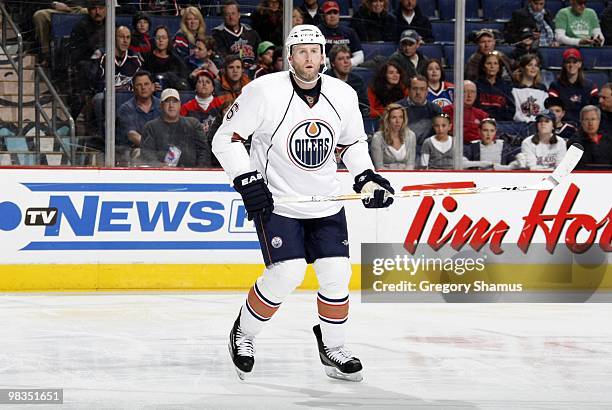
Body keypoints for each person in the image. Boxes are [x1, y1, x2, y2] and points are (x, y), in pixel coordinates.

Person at [212, 24, 394, 383]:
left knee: (337, 275)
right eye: (301, 51)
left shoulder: (341, 94)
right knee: (286, 274)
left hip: (325, 203)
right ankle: (243, 334)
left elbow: (353, 144)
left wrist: (367, 177)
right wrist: (247, 180)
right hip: (279, 203)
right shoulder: (263, 92)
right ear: (289, 57)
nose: (309, 57)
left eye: (315, 50)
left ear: (323, 56)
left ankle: (334, 347)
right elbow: (226, 139)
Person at [140, 88, 212, 167]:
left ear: (180, 104)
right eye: (167, 101)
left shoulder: (194, 124)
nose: (171, 105)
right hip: (161, 175)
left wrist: (197, 172)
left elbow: (204, 152)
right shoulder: (150, 127)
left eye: (175, 101)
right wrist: (160, 167)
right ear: (161, 105)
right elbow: (147, 154)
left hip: (192, 175)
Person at [548, 48, 598, 124]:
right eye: (568, 62)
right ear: (564, 65)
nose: (571, 65)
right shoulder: (555, 86)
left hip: (584, 126)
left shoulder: (590, 86)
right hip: (562, 125)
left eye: (575, 62)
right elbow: (554, 111)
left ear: (580, 64)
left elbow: (595, 110)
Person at [117, 70, 161, 149]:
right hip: (135, 150)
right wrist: (154, 148)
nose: (143, 87)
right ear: (133, 88)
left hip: (161, 149)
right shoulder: (126, 109)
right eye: (139, 85)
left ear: (153, 86)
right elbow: (132, 135)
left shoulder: (162, 106)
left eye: (146, 84)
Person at [212, 0, 262, 68]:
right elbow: (223, 57)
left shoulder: (251, 32)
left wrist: (255, 65)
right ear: (223, 16)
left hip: (253, 69)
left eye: (233, 13)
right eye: (227, 14)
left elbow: (260, 53)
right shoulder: (217, 34)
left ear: (239, 15)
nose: (231, 17)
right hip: (233, 70)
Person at [397, 75, 442, 145]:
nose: (418, 92)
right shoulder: (397, 108)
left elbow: (443, 130)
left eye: (422, 89)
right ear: (408, 90)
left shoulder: (436, 109)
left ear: (427, 91)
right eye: (414, 88)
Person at [327, 44, 369, 117]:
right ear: (333, 63)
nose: (346, 62)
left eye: (348, 58)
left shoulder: (357, 81)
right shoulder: (325, 80)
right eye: (341, 59)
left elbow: (365, 107)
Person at [318, 1, 364, 67]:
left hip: (348, 67)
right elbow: (314, 55)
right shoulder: (317, 32)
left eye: (335, 12)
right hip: (326, 67)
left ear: (339, 14)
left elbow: (360, 56)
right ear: (323, 16)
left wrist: (346, 63)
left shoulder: (350, 32)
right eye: (329, 13)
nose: (332, 16)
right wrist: (335, 63)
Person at [370, 104, 416, 169]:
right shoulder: (378, 138)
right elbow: (379, 167)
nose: (398, 121)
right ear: (387, 119)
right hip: (385, 176)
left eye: (401, 117)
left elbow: (411, 164)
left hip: (406, 176)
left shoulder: (411, 136)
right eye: (394, 117)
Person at [142, 26, 189, 90]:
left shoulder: (177, 61)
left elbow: (182, 82)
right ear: (154, 39)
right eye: (158, 38)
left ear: (168, 40)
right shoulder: (146, 58)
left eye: (164, 38)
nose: (161, 40)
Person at [181, 69, 224, 136]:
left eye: (207, 82)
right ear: (195, 87)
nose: (204, 84)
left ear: (213, 88)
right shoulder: (186, 107)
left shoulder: (221, 104)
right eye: (200, 82)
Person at [475, 51, 516, 121]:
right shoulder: (476, 86)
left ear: (499, 67)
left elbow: (511, 109)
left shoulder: (505, 87)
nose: (492, 66)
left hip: (500, 123)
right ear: (483, 67)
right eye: (489, 63)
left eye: (495, 63)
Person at [511, 54, 548, 123]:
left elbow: (545, 110)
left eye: (536, 65)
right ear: (522, 68)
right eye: (530, 65)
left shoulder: (542, 89)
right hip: (518, 125)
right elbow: (513, 111)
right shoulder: (513, 88)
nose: (533, 68)